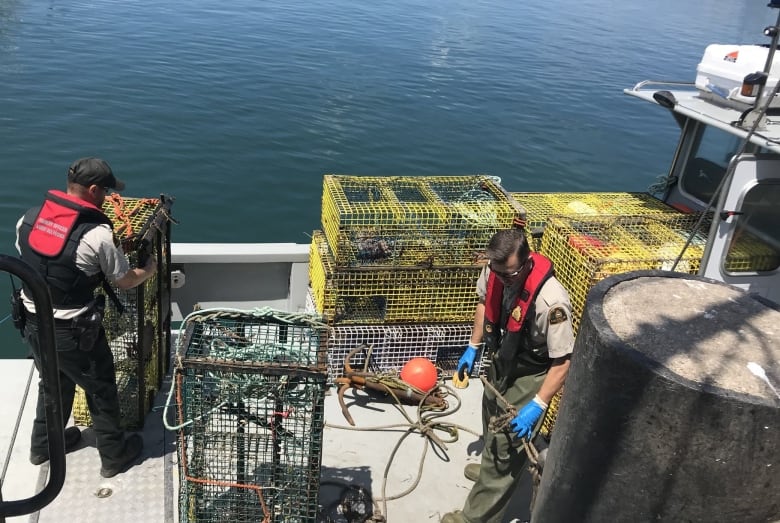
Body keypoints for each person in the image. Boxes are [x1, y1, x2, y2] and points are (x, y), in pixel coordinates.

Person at [15, 157, 157, 478]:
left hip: (33, 324)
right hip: (74, 332)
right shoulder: (97, 235)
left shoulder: (28, 219)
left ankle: (43, 447)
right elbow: (122, 280)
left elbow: (34, 262)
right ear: (93, 190)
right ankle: (114, 456)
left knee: (52, 382)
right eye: (106, 191)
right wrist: (148, 270)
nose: (108, 197)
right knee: (101, 389)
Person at [441, 228, 575, 523]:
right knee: (491, 411)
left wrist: (539, 404)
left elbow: (563, 359)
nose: (503, 280)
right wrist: (473, 346)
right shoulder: (494, 271)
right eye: (498, 272)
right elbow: (483, 303)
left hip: (534, 367)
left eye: (510, 275)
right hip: (504, 355)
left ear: (526, 264)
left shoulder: (552, 303)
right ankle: (492, 471)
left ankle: (476, 515)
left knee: (507, 442)